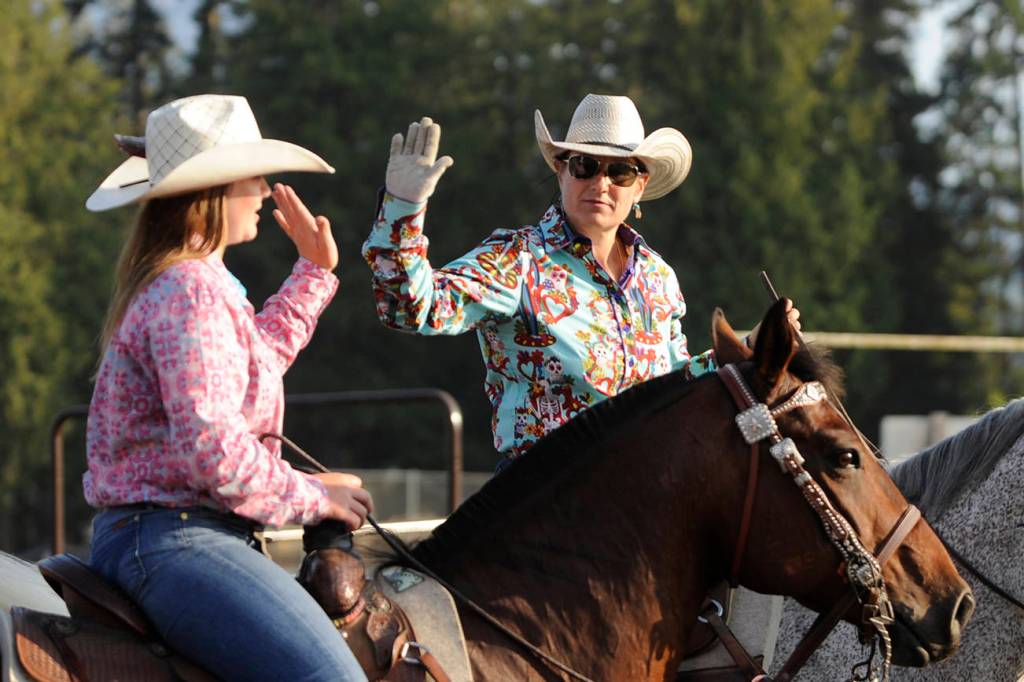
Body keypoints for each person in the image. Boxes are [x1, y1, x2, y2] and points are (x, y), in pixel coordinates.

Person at [84, 94, 371, 682]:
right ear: (214, 191)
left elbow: (250, 370)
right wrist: (314, 497)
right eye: (254, 178)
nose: (266, 191)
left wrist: (312, 276)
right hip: (173, 537)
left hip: (168, 532)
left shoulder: (194, 281)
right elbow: (213, 450)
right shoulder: (190, 290)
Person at [363, 93, 799, 465]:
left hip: (644, 492)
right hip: (543, 494)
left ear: (640, 185)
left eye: (620, 172)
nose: (602, 184)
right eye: (586, 166)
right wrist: (403, 206)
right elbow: (411, 308)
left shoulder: (657, 276)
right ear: (561, 169)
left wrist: (748, 348)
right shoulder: (518, 260)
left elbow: (677, 385)